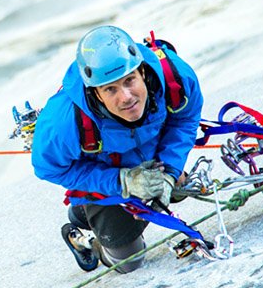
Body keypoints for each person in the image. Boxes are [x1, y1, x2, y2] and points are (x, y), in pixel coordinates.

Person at [31, 25, 203, 273]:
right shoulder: (63, 123)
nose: (126, 97)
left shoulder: (175, 78)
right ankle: (86, 227)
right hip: (108, 169)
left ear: (142, 70)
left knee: (179, 186)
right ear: (96, 94)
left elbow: (185, 119)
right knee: (128, 262)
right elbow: (48, 168)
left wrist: (170, 171)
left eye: (130, 80)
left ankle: (85, 213)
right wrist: (122, 181)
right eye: (110, 89)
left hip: (153, 155)